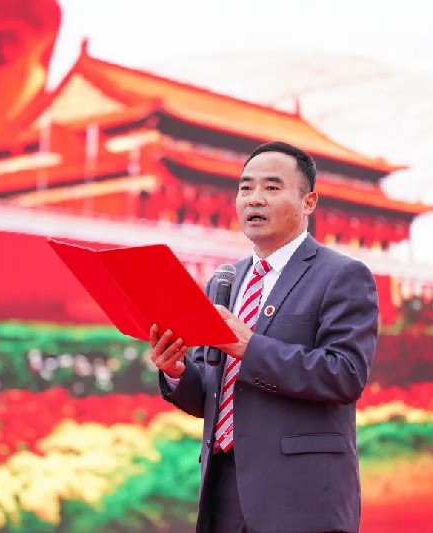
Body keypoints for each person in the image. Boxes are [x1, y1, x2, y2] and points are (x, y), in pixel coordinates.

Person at [149, 141, 379, 533]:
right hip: (223, 491)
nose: (255, 198)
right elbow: (211, 396)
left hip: (301, 499)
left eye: (272, 187)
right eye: (245, 188)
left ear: (308, 202)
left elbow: (345, 374)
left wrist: (248, 346)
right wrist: (176, 371)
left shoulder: (341, 276)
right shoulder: (224, 281)